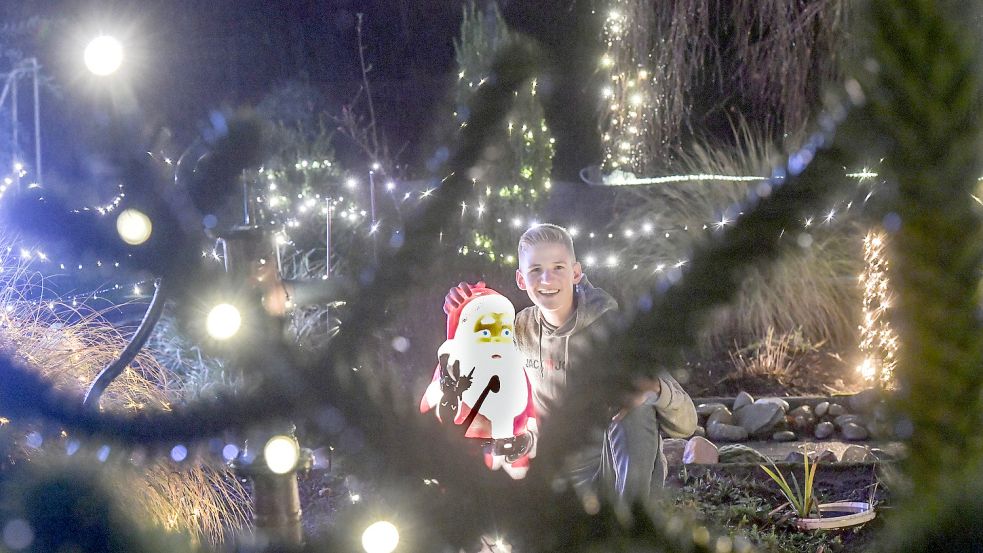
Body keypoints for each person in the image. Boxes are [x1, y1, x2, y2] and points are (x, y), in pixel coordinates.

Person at [445, 223, 696, 504]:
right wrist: (465, 309)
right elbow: (474, 370)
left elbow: (687, 423)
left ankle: (630, 524)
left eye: (558, 268)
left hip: (613, 469)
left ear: (576, 273)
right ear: (520, 279)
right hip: (559, 469)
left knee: (635, 405)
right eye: (535, 270)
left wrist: (654, 388)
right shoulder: (518, 330)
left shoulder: (613, 331)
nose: (547, 279)